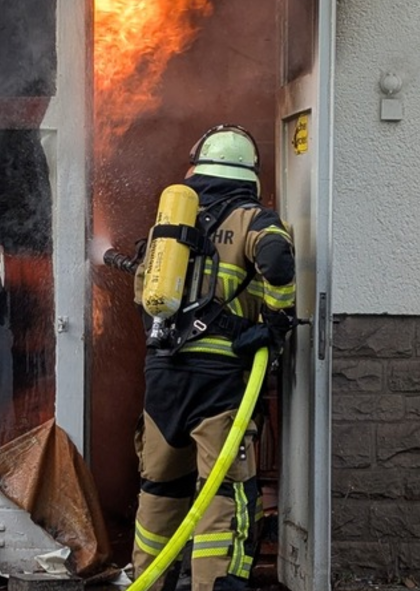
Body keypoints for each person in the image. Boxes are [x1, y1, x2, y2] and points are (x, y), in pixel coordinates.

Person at [132, 125, 297, 591]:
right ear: (250, 175)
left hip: (163, 376)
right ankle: (214, 585)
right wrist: (274, 322)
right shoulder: (253, 218)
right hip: (220, 382)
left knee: (159, 487)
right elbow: (278, 260)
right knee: (223, 491)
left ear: (197, 168)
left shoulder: (171, 223)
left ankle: (150, 579)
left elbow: (144, 295)